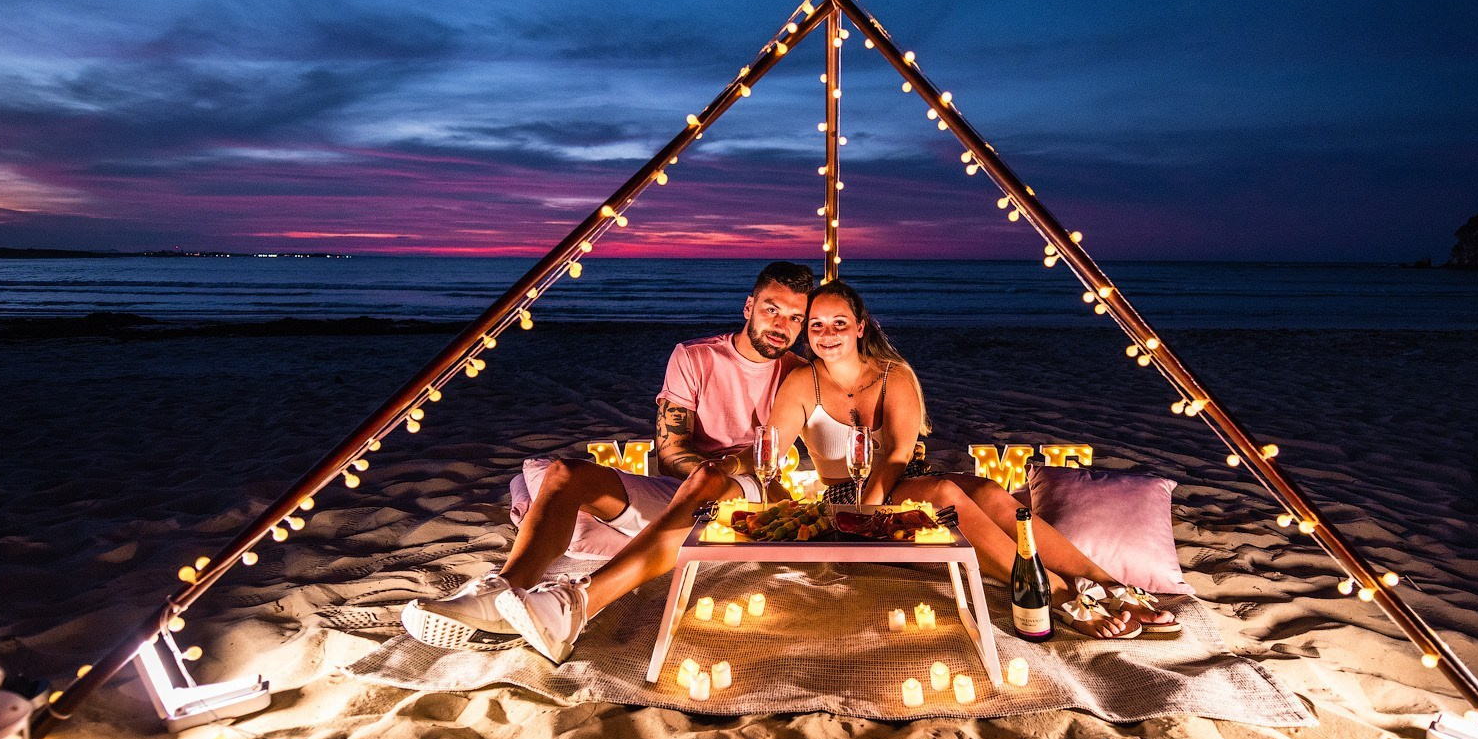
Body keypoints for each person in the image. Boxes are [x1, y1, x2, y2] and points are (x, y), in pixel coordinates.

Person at [483, 278, 1178, 664]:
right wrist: (760, 476)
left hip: (897, 481)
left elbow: (898, 452)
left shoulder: (893, 373)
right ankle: (1056, 593)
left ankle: (1101, 580)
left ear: (860, 324)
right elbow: (772, 446)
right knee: (954, 497)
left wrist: (876, 498)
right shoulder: (802, 382)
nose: (822, 332)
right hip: (854, 497)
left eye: (834, 322)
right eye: (814, 324)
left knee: (993, 493)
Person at [400, 260, 815, 648]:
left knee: (705, 481)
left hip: (749, 493)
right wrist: (702, 476)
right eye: (772, 310)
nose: (782, 325)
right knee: (565, 473)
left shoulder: (798, 372)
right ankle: (502, 589)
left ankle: (575, 605)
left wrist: (722, 471)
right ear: (749, 306)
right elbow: (672, 452)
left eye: (795, 317)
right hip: (684, 489)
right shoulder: (695, 356)